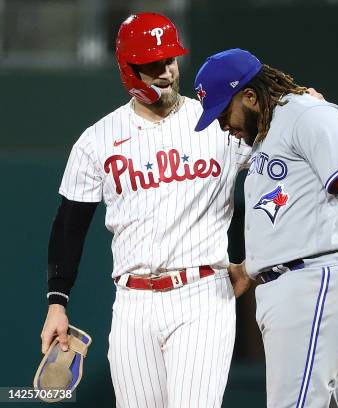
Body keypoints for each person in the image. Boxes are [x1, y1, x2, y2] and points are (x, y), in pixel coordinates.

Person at [39, 13, 252, 407]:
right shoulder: (97, 140)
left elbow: (282, 175)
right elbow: (69, 226)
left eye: (170, 59)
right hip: (133, 304)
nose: (166, 71)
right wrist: (57, 303)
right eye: (152, 64)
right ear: (128, 69)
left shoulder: (218, 122)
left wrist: (259, 259)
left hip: (202, 295)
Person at [192, 48, 338, 408]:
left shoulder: (307, 115)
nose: (223, 124)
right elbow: (293, 213)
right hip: (297, 285)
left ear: (251, 96)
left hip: (316, 282)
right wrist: (251, 268)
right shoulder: (264, 134)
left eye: (224, 111)